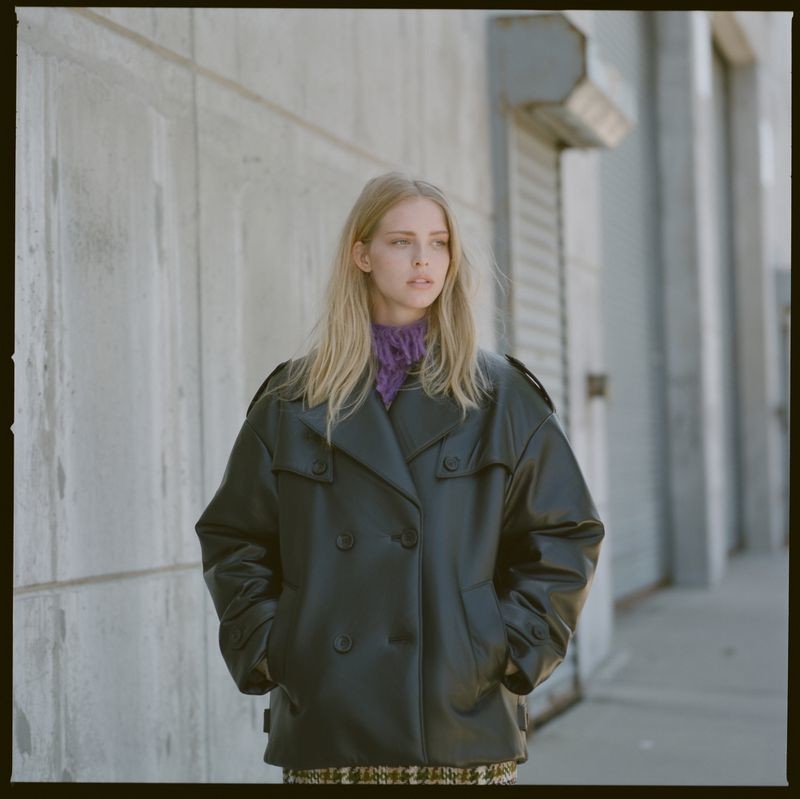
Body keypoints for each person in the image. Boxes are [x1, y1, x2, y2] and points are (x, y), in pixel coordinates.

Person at [195, 172, 604, 785]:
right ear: (361, 254)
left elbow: (565, 532)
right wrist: (274, 648)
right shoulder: (293, 398)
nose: (423, 260)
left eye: (439, 243)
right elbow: (236, 536)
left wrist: (503, 649)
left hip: (457, 719)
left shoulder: (499, 395)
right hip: (328, 719)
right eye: (402, 242)